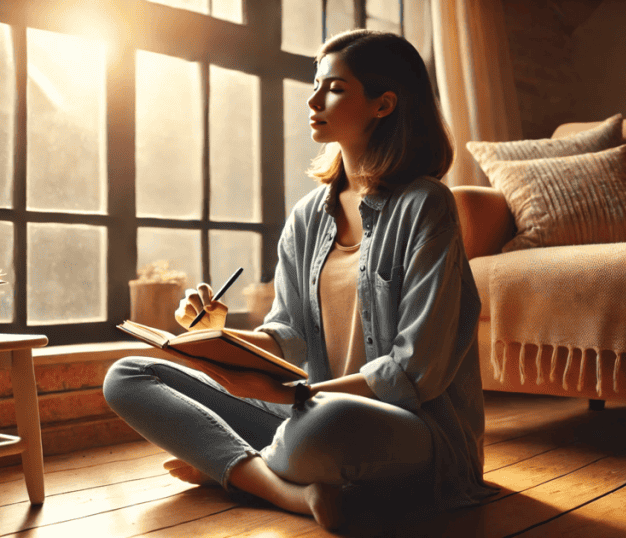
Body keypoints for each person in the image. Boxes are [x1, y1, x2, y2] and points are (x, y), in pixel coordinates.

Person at [103, 29, 497, 530]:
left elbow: (416, 372)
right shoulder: (309, 214)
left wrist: (299, 398)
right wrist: (213, 336)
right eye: (315, 83)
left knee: (321, 424)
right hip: (306, 409)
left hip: (406, 428)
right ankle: (292, 491)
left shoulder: (426, 206)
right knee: (129, 375)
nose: (312, 98)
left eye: (334, 87)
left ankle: (228, 466)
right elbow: (285, 338)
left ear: (384, 104)